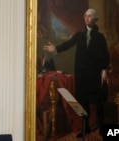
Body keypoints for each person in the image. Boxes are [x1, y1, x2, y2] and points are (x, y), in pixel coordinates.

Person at [43, 8, 109, 138]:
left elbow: (104, 56)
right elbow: (68, 44)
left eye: (90, 16)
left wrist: (104, 71)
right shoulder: (79, 35)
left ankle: (102, 129)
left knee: (98, 103)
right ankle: (86, 128)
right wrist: (55, 48)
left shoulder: (100, 38)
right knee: (83, 103)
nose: (87, 18)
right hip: (81, 75)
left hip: (94, 75)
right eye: (85, 16)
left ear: (95, 19)